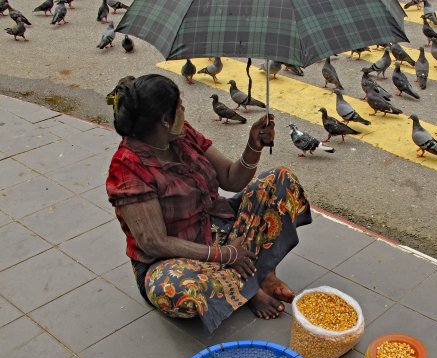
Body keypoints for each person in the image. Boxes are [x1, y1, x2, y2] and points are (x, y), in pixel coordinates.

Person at [106, 74, 312, 332]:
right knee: (172, 289)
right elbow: (155, 243)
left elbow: (230, 178)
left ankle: (249, 278)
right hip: (175, 258)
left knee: (280, 181)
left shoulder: (182, 134)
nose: (184, 109)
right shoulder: (128, 167)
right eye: (179, 105)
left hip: (219, 228)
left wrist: (254, 145)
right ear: (164, 120)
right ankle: (251, 283)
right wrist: (225, 255)